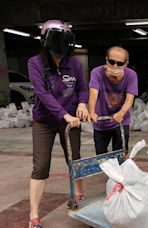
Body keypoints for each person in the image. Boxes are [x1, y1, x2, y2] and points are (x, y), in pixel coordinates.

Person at [27, 19, 89, 228]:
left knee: (75, 159)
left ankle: (79, 195)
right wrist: (65, 115)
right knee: (41, 165)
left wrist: (82, 103)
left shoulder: (75, 64)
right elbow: (43, 94)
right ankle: (34, 215)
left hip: (70, 119)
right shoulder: (34, 63)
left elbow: (82, 88)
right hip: (44, 121)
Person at [88, 46, 138, 155]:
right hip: (101, 121)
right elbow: (93, 92)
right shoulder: (97, 72)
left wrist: (121, 113)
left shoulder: (131, 75)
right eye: (111, 62)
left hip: (121, 121)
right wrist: (91, 111)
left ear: (125, 64)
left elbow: (130, 98)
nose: (115, 66)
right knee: (101, 156)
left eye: (119, 63)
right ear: (106, 60)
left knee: (120, 155)